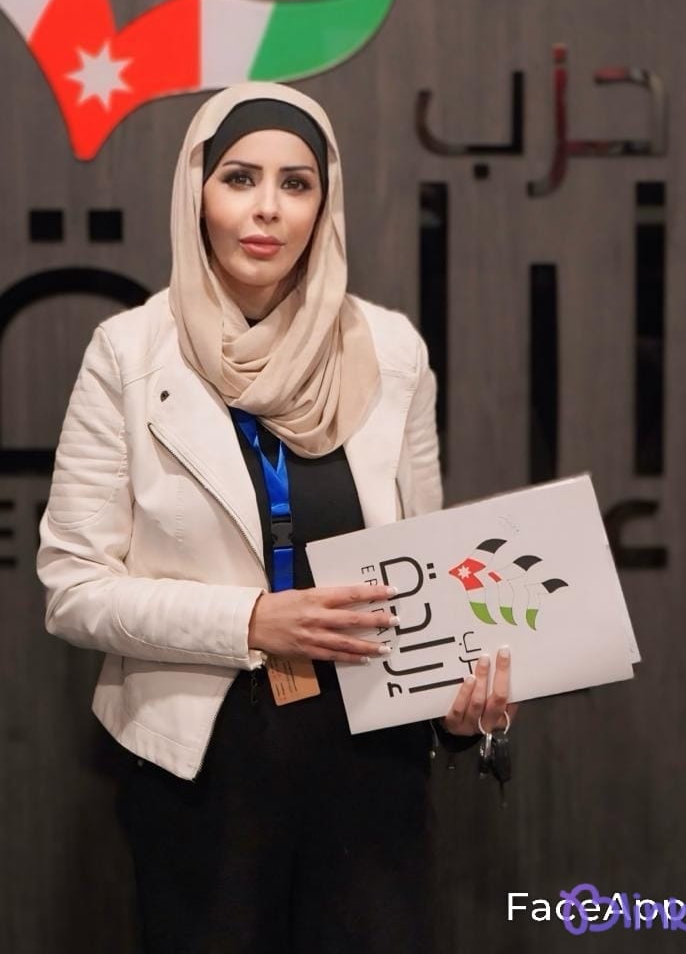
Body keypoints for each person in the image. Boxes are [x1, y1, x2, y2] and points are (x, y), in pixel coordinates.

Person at [36, 80, 517, 954]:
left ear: (324, 204)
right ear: (197, 194)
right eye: (239, 178)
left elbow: (427, 574)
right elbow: (73, 589)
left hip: (372, 765)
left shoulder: (390, 350)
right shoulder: (129, 353)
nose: (267, 208)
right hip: (205, 771)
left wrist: (456, 704)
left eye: (296, 183)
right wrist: (252, 621)